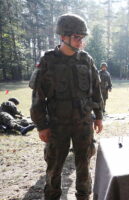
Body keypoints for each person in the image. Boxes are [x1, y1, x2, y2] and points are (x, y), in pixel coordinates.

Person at [29, 14, 103, 200]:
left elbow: (96, 90)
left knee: (84, 165)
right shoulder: (48, 60)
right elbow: (38, 96)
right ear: (63, 37)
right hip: (57, 124)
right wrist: (41, 125)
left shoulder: (86, 60)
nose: (80, 42)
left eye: (82, 38)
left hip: (83, 123)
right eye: (76, 37)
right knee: (54, 167)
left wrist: (99, 115)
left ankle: (83, 196)